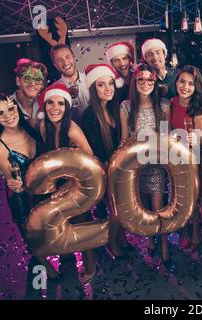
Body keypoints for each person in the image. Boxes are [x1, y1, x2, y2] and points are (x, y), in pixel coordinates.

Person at [0, 94, 60, 282]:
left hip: (46, 188)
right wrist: (16, 183)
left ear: (17, 109)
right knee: (32, 233)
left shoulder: (33, 129)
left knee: (54, 225)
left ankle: (64, 252)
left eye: (11, 109)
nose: (8, 115)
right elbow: (13, 181)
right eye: (0, 113)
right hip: (22, 196)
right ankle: (44, 263)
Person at [38, 83, 97, 283]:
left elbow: (90, 160)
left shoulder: (72, 129)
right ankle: (69, 256)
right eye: (51, 103)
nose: (55, 108)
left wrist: (70, 185)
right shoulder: (42, 126)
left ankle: (91, 265)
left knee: (81, 227)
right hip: (55, 187)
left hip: (76, 185)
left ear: (67, 107)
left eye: (60, 104)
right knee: (62, 225)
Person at [120, 64, 171, 265]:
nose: (145, 83)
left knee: (159, 207)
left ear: (155, 82)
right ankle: (151, 238)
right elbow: (124, 139)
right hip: (135, 166)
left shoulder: (164, 105)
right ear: (135, 82)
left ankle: (165, 243)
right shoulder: (126, 106)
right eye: (141, 79)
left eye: (150, 80)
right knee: (143, 207)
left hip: (157, 165)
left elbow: (166, 138)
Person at [81, 64, 127, 258]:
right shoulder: (89, 116)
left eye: (110, 84)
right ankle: (112, 242)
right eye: (101, 85)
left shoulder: (115, 109)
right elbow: (94, 153)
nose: (108, 89)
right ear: (93, 89)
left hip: (118, 168)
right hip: (104, 170)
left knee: (121, 209)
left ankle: (122, 239)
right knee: (114, 211)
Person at [0, 58, 47, 174]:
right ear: (18, 81)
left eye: (38, 79)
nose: (33, 84)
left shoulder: (46, 105)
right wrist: (13, 177)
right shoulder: (1, 110)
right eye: (27, 79)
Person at [170, 65, 202, 252]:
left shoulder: (198, 110)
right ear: (176, 82)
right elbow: (167, 130)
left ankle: (195, 234)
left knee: (193, 197)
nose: (185, 86)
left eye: (191, 84)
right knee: (179, 196)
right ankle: (183, 229)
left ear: (196, 87)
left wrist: (197, 138)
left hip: (193, 160)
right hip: (176, 159)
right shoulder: (171, 103)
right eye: (182, 81)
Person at [51, 44, 90, 123]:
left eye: (67, 57)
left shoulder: (91, 79)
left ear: (73, 57)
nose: (65, 63)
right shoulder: (54, 90)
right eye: (60, 60)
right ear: (55, 65)